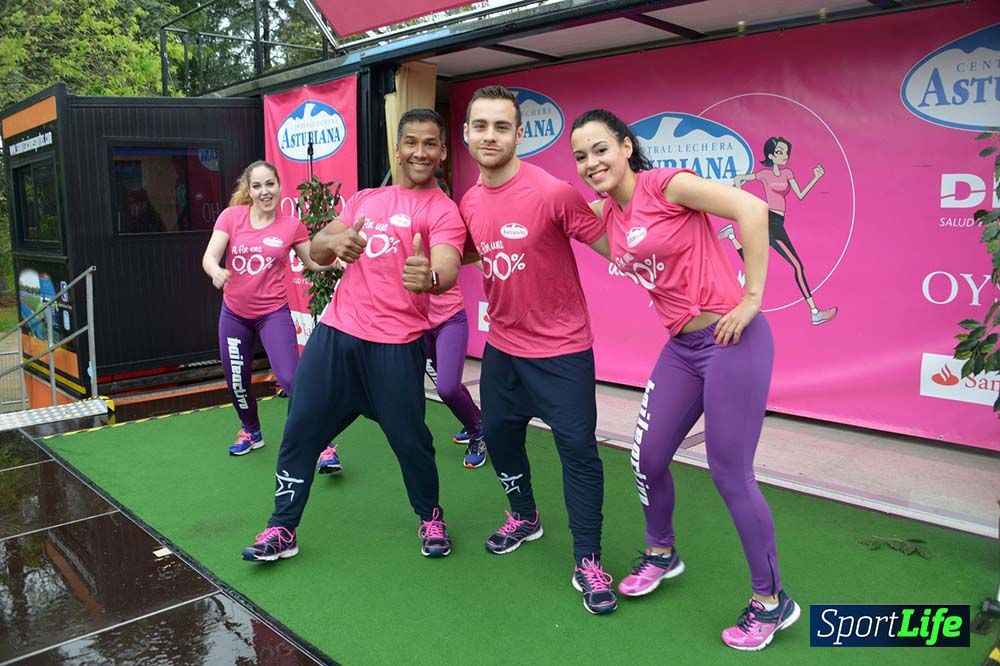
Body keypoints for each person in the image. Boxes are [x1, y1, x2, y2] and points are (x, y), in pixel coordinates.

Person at [570, 109, 799, 650]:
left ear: (626, 147)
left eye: (600, 148)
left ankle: (772, 601)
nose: (591, 162)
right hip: (682, 347)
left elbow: (752, 207)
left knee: (729, 473)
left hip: (731, 339)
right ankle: (661, 552)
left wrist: (751, 298)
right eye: (580, 156)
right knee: (646, 456)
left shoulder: (666, 184)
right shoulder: (609, 215)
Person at [241, 108, 467, 562]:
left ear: (442, 151)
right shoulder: (366, 198)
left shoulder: (444, 210)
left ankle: (430, 516)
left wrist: (431, 278)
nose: (419, 152)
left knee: (411, 441)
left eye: (429, 144)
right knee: (301, 430)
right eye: (411, 142)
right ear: (397, 148)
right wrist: (335, 244)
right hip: (336, 338)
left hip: (395, 346)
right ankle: (282, 528)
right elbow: (320, 248)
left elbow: (446, 263)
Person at [461, 85, 617, 615]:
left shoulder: (553, 192)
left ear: (519, 135)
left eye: (501, 126)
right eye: (480, 125)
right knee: (500, 440)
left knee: (578, 454)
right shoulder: (469, 200)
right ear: (466, 133)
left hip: (563, 352)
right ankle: (524, 516)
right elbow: (457, 253)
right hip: (502, 351)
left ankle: (588, 558)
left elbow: (614, 245)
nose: (489, 136)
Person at [202, 160, 333, 456]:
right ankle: (251, 431)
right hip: (234, 315)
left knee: (290, 378)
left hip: (272, 314)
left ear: (279, 186)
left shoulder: (291, 225)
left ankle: (322, 443)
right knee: (237, 379)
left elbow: (311, 261)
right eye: (257, 186)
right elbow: (210, 256)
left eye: (270, 184)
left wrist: (333, 261)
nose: (265, 191)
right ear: (249, 190)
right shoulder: (231, 217)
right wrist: (215, 271)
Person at [723, 136, 837, 326]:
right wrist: (739, 199)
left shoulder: (787, 173)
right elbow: (738, 178)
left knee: (754, 261)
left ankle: (731, 236)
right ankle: (815, 312)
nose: (784, 156)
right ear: (771, 155)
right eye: (780, 152)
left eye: (786, 153)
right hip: (769, 222)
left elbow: (800, 194)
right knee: (797, 266)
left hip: (777, 223)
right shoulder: (765, 175)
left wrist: (816, 178)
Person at [425, 285, 487, 468]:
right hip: (417, 322)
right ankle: (477, 420)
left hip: (450, 318)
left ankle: (478, 433)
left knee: (447, 388)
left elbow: (474, 258)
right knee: (444, 382)